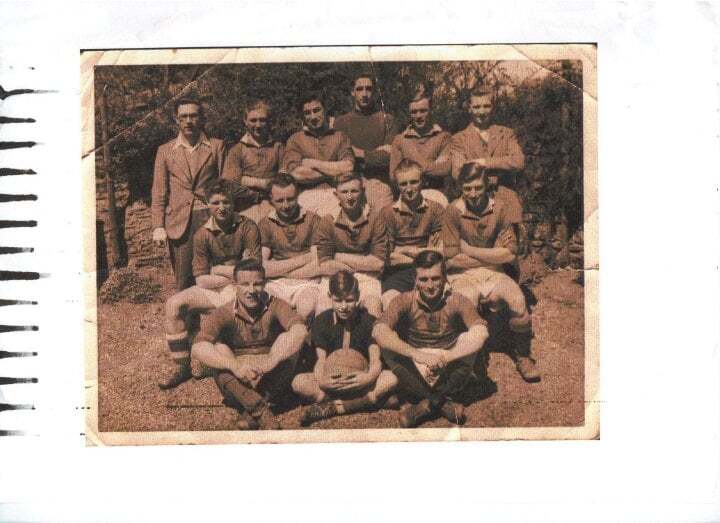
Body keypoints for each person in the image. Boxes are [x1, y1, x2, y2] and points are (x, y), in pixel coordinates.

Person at [442, 162, 540, 382]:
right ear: (461, 188)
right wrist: (492, 252)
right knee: (465, 301)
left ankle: (523, 355)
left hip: (494, 272)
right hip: (462, 274)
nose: (473, 194)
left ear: (486, 186)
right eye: (468, 189)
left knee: (517, 301)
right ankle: (470, 358)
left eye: (478, 187)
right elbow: (451, 258)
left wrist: (469, 250)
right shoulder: (453, 211)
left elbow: (509, 255)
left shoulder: (500, 207)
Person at [159, 180, 261, 390]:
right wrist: (232, 271)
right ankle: (182, 366)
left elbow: (253, 270)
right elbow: (202, 279)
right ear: (207, 204)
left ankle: (241, 365)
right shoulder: (202, 234)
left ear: (234, 203)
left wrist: (219, 270)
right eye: (215, 203)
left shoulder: (248, 226)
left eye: (226, 202)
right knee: (173, 304)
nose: (221, 207)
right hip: (215, 286)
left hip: (241, 287)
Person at [373, 250, 489, 428]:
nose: (430, 285)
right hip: (416, 362)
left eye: (435, 278)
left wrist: (446, 357)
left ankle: (425, 404)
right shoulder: (403, 300)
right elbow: (378, 331)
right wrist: (419, 356)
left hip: (448, 363)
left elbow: (481, 332)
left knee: (471, 337)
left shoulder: (457, 300)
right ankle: (441, 403)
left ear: (444, 279)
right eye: (423, 279)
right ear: (415, 280)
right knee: (387, 341)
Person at [192, 259, 308, 430]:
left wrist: (271, 361)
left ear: (265, 284)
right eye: (245, 284)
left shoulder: (275, 304)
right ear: (234, 285)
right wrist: (235, 366)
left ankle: (252, 410)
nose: (251, 290)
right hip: (239, 380)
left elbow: (300, 331)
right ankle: (260, 408)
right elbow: (198, 347)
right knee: (218, 348)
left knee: (287, 339)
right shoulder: (223, 311)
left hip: (271, 378)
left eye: (257, 284)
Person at [292, 271, 398, 425]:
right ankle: (368, 401)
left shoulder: (369, 321)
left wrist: (368, 377)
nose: (344, 307)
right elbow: (320, 360)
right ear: (330, 297)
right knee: (298, 382)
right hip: (332, 384)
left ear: (358, 296)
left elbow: (375, 361)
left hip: (361, 381)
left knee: (391, 378)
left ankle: (337, 407)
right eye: (338, 300)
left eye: (349, 300)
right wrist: (322, 381)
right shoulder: (322, 321)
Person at [151, 98, 226, 291]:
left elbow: (225, 185)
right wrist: (158, 225)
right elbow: (159, 191)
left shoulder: (216, 146)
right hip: (179, 222)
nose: (188, 121)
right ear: (176, 120)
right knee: (184, 281)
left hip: (210, 218)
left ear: (201, 118)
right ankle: (186, 321)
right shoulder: (165, 151)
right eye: (183, 117)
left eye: (193, 116)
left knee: (214, 275)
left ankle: (214, 320)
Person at [449, 86, 525, 227]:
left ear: (493, 108)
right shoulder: (459, 139)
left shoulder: (506, 134)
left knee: (512, 240)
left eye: (486, 106)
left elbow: (518, 161)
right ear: (469, 109)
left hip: (505, 195)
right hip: (473, 199)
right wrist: (501, 166)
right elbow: (458, 172)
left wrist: (483, 162)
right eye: (477, 107)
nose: (482, 112)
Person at [314, 172, 386, 318]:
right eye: (344, 192)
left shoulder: (375, 218)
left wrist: (339, 256)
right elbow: (324, 265)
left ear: (363, 192)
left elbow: (378, 264)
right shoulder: (327, 221)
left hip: (367, 277)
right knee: (322, 310)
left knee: (374, 308)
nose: (349, 197)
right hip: (334, 276)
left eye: (354, 191)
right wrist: (362, 263)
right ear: (336, 195)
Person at [379, 159, 445, 310]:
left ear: (422, 182)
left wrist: (403, 250)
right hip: (397, 274)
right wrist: (423, 252)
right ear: (397, 186)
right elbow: (387, 257)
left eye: (413, 182)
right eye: (403, 184)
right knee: (391, 303)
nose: (409, 189)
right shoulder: (387, 214)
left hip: (430, 272)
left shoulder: (436, 209)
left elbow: (440, 252)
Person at [258, 174, 323, 322]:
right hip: (275, 284)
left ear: (298, 194)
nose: (286, 205)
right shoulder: (265, 224)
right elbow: (262, 268)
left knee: (307, 310)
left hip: (306, 283)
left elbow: (317, 264)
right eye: (279, 201)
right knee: (264, 310)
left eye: (290, 199)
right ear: (270, 200)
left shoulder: (313, 220)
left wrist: (282, 271)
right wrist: (303, 259)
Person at [281, 92, 354, 217]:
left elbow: (348, 167)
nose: (313, 116)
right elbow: (296, 174)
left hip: (336, 193)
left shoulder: (340, 136)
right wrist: (334, 171)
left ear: (325, 111)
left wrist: (313, 163)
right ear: (302, 117)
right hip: (305, 195)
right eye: (307, 113)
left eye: (317, 110)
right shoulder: (295, 140)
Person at [334, 74, 397, 209]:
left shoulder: (386, 120)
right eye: (359, 89)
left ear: (374, 92)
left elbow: (388, 158)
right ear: (352, 92)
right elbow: (339, 157)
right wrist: (375, 153)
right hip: (349, 182)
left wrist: (356, 152)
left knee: (384, 223)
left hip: (378, 182)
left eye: (368, 89)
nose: (364, 94)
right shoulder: (341, 122)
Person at [389, 82, 452, 206]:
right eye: (414, 112)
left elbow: (445, 169)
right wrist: (432, 166)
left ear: (431, 110)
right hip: (408, 194)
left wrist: (410, 164)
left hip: (436, 193)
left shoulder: (443, 137)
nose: (418, 116)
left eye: (423, 111)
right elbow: (393, 176)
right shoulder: (400, 140)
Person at [222, 99, 284, 224]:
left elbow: (284, 180)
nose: (258, 125)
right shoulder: (237, 150)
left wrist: (246, 180)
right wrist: (261, 187)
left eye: (262, 120)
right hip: (245, 207)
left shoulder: (278, 147)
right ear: (245, 121)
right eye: (253, 120)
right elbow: (230, 185)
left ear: (269, 122)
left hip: (275, 206)